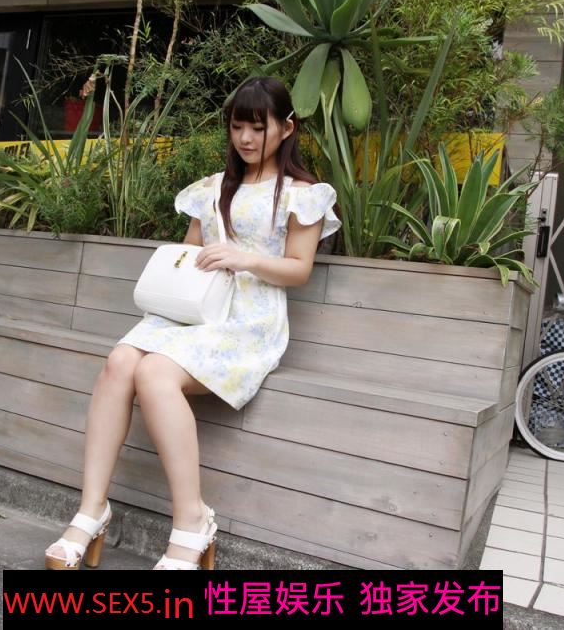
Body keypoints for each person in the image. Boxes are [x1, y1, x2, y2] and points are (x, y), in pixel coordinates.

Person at [44, 76, 341, 571]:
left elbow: (299, 269)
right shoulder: (212, 188)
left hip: (250, 321)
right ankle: (91, 510)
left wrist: (243, 258)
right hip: (197, 310)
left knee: (154, 372)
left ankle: (192, 521)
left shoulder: (301, 194)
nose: (245, 138)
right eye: (237, 127)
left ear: (286, 128)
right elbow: (188, 254)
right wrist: (196, 257)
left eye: (258, 128)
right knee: (120, 360)